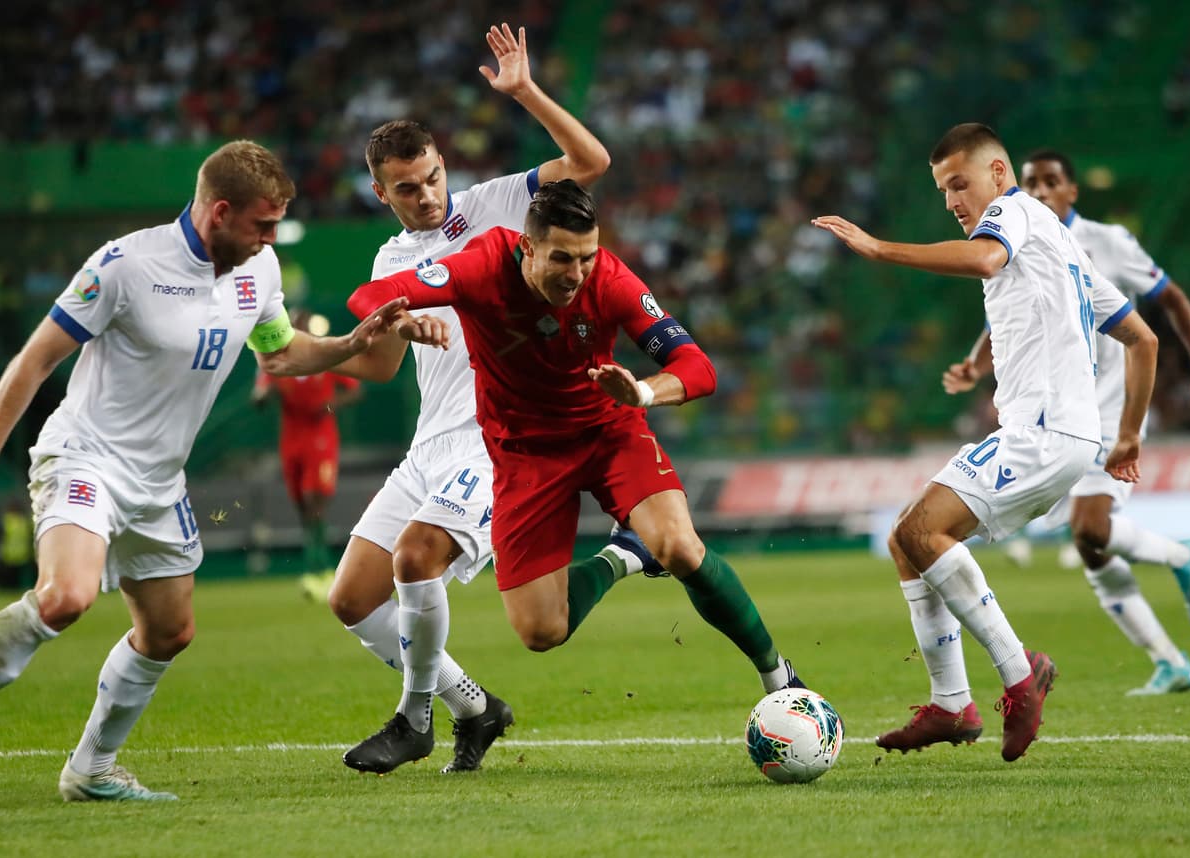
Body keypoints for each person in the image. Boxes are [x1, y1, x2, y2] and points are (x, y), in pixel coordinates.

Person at [0, 140, 412, 800]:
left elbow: (279, 353)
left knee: (169, 631)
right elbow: (33, 362)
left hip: (159, 482)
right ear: (220, 212)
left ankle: (91, 770)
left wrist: (349, 345)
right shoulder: (125, 266)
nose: (271, 239)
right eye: (262, 224)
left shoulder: (259, 271)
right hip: (85, 455)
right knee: (66, 596)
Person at [346, 178, 807, 768]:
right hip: (524, 457)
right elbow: (370, 294)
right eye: (562, 258)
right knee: (541, 632)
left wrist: (643, 391)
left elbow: (697, 366)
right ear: (526, 248)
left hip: (608, 434)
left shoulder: (610, 279)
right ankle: (621, 556)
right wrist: (403, 322)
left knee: (681, 548)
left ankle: (780, 678)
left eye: (587, 257)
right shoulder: (479, 264)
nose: (577, 273)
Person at [318, 23, 626, 776]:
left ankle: (413, 719)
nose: (425, 196)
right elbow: (384, 366)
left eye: (430, 177)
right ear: (379, 191)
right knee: (352, 598)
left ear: (443, 167)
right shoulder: (390, 256)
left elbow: (590, 162)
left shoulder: (497, 204)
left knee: (417, 557)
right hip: (431, 442)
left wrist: (523, 91)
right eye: (406, 187)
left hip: (497, 436)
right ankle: (475, 708)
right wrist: (369, 335)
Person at [812, 123, 1159, 761]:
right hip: (1061, 435)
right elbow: (1143, 339)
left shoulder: (1015, 211)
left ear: (999, 175)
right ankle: (952, 705)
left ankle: (1021, 675)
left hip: (1044, 432)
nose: (952, 201)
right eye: (944, 189)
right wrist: (1128, 435)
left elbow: (984, 257)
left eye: (959, 184)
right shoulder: (1065, 249)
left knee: (922, 532)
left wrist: (879, 249)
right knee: (905, 540)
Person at [940, 147, 1190, 695]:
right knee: (1088, 544)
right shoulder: (1028, 237)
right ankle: (1169, 660)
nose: (1040, 191)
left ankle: (1183, 556)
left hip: (1106, 404)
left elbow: (1169, 300)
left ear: (1072, 191)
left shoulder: (1108, 243)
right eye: (1031, 182)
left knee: (1089, 526)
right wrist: (975, 362)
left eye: (1052, 182)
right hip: (1059, 405)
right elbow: (1009, 310)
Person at [253, 308, 363, 575]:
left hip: (320, 435)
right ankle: (314, 550)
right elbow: (258, 397)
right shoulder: (279, 364)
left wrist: (329, 405)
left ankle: (319, 560)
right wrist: (263, 395)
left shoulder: (322, 359)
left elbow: (355, 390)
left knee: (314, 496)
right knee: (300, 502)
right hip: (291, 437)